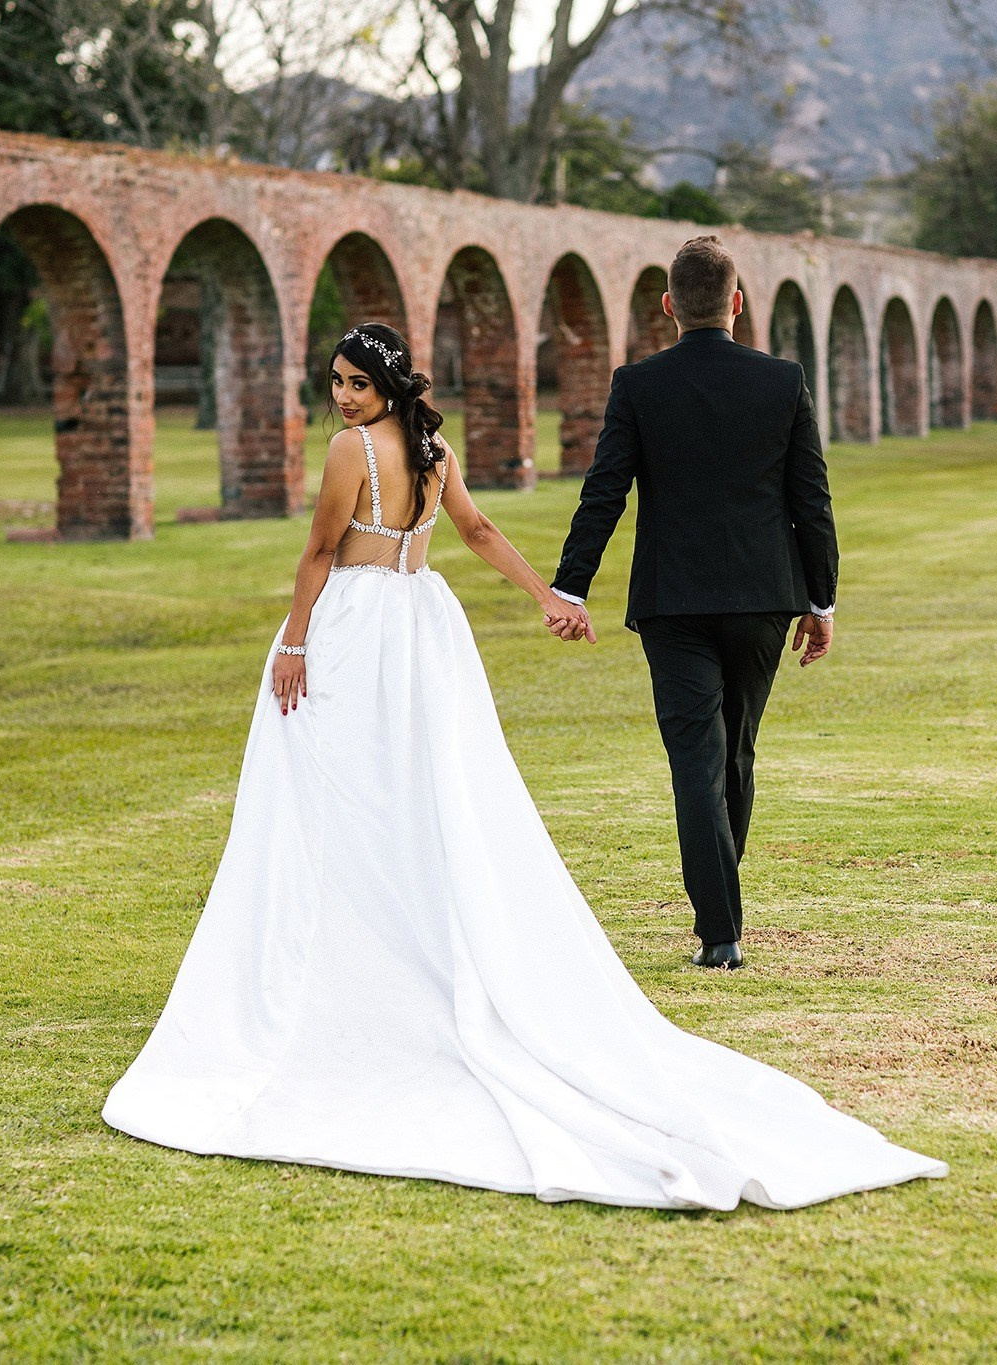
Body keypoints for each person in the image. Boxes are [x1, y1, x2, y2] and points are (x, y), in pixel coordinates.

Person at [102, 322, 943, 1210]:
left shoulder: (355, 451)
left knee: (345, 790)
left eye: (354, 381)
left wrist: (296, 642)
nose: (341, 397)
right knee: (402, 788)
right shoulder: (432, 451)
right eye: (335, 382)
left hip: (353, 626)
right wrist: (546, 595)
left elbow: (321, 552)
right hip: (421, 623)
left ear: (385, 385)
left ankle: (351, 950)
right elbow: (473, 529)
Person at [550, 235, 835, 972]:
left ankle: (719, 925)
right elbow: (811, 499)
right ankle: (721, 917)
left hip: (673, 600)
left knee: (698, 760)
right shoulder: (783, 382)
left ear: (670, 305)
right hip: (763, 597)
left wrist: (572, 583)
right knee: (733, 752)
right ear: (737, 303)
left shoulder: (638, 385)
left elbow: (603, 491)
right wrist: (821, 598)